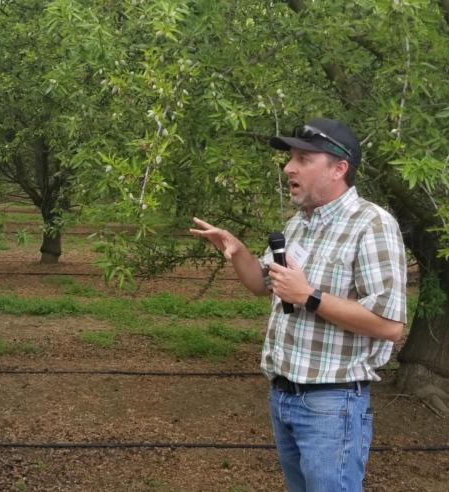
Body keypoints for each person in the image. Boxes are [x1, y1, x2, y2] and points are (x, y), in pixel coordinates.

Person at [190, 117, 407, 491]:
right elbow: (263, 285)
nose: (289, 167)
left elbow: (389, 325)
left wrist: (309, 297)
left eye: (304, 159)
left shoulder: (371, 224)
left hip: (331, 403)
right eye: (291, 158)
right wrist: (236, 249)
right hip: (284, 396)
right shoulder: (299, 225)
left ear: (339, 168)